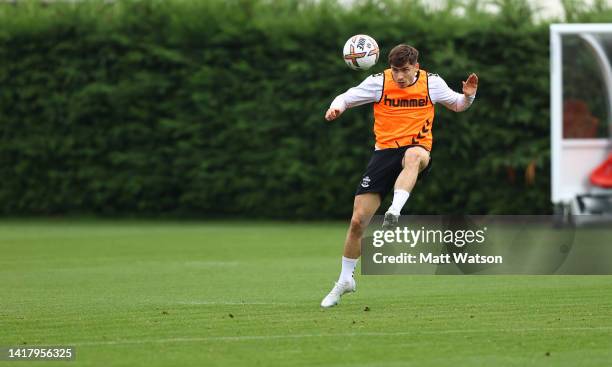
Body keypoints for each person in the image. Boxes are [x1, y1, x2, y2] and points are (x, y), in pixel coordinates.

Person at [320, 44, 478, 308]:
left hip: (418, 148)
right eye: (395, 70)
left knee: (414, 157)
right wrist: (336, 108)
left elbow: (458, 105)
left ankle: (394, 210)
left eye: (405, 70)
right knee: (358, 221)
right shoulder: (379, 82)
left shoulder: (432, 83)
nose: (400, 76)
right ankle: (345, 280)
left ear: (416, 66)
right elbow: (346, 97)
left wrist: (469, 96)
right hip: (383, 154)